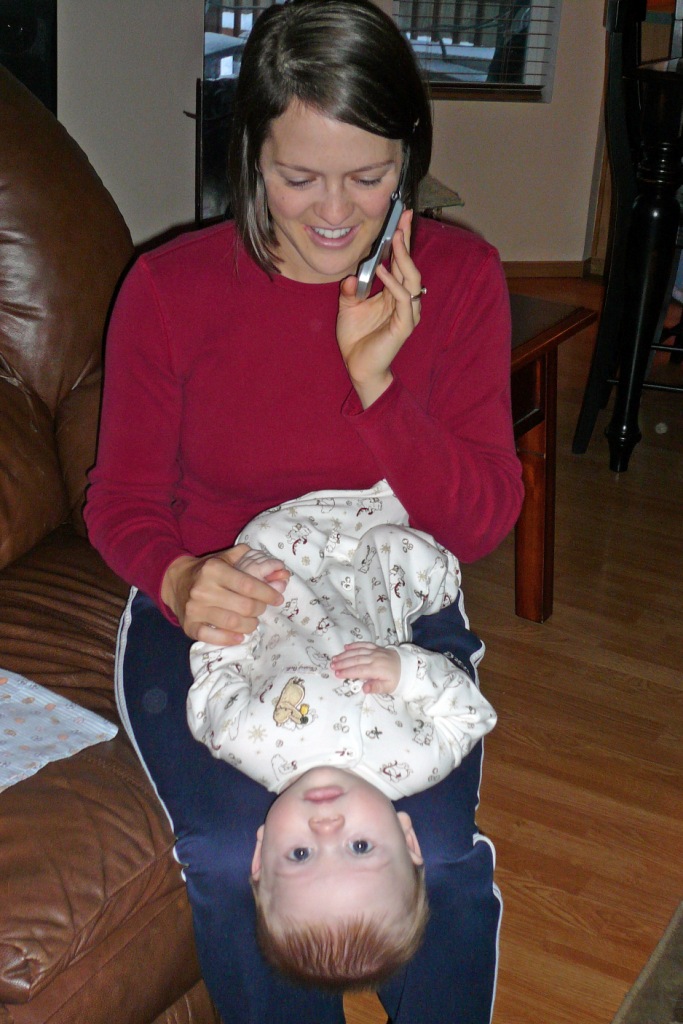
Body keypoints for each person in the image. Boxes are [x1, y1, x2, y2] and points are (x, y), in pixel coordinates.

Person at [84, 0, 524, 1020]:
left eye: (368, 176)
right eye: (297, 177)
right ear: (250, 156)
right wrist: (180, 577)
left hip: (387, 608)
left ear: (407, 157)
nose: (334, 212)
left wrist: (378, 391)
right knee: (231, 856)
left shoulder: (458, 279)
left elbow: (476, 524)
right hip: (218, 612)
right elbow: (121, 502)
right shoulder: (167, 289)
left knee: (438, 857)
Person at [186, 481, 498, 988]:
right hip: (370, 562)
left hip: (279, 561)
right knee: (411, 555)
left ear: (259, 854)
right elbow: (470, 716)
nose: (327, 828)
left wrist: (237, 610)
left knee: (266, 548)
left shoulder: (247, 742)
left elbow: (214, 686)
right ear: (409, 839)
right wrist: (406, 671)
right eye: (360, 847)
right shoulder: (414, 760)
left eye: (300, 855)